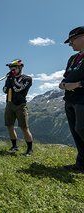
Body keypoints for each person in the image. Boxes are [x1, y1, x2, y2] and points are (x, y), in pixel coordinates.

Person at [59, 26, 84, 171]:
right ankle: (81, 164)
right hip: (69, 100)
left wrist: (78, 84)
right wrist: (63, 85)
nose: (70, 44)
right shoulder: (72, 59)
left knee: (81, 129)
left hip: (82, 99)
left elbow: (75, 81)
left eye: (72, 40)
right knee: (76, 131)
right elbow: (66, 76)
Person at [3, 59, 34, 156]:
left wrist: (11, 79)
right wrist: (9, 80)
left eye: (14, 68)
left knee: (24, 127)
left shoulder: (27, 79)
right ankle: (14, 146)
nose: (12, 70)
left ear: (20, 68)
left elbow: (17, 89)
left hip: (20, 105)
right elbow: (4, 90)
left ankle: (29, 149)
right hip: (9, 103)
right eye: (10, 68)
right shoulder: (10, 78)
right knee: (9, 126)